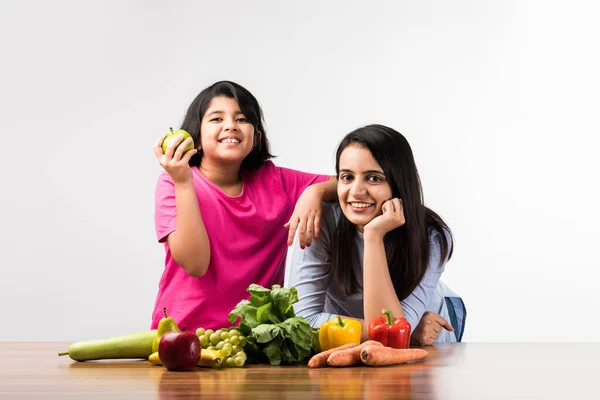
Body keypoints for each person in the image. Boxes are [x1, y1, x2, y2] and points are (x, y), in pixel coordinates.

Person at [151, 80, 336, 331]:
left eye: (242, 119)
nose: (230, 126)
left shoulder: (276, 181)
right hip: (184, 334)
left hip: (259, 340)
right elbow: (195, 265)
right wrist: (183, 182)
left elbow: (349, 183)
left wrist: (316, 191)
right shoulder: (173, 182)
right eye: (216, 119)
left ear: (256, 137)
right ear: (196, 135)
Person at [288, 124, 466, 345]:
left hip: (430, 332)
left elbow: (390, 339)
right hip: (401, 333)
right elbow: (302, 322)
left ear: (399, 183)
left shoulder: (432, 236)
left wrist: (373, 236)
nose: (356, 191)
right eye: (347, 177)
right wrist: (406, 330)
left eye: (374, 178)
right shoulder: (321, 221)